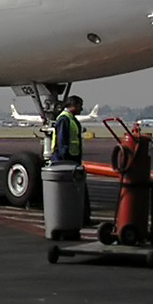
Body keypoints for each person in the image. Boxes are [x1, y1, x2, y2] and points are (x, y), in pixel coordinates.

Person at [51, 95, 92, 224]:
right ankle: (81, 218)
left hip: (72, 159)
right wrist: (64, 161)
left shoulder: (70, 119)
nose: (81, 109)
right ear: (73, 105)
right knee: (75, 191)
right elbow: (62, 141)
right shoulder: (64, 119)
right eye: (80, 105)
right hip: (67, 160)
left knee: (78, 190)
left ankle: (82, 217)